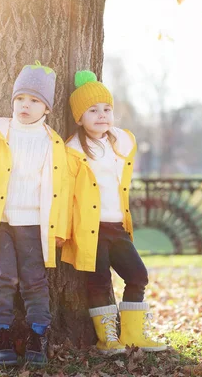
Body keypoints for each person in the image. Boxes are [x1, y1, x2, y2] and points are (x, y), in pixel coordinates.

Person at [0, 61, 68, 365]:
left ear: (46, 108)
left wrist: (58, 229)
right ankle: (1, 332)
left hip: (35, 224)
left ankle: (38, 335)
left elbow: (60, 189)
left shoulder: (53, 143)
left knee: (36, 281)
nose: (26, 105)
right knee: (2, 277)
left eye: (35, 100)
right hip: (1, 223)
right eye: (20, 98)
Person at [61, 70, 167, 355]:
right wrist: (61, 231)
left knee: (137, 275)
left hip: (117, 227)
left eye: (107, 109)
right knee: (98, 282)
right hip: (90, 229)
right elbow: (65, 197)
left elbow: (127, 140)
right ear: (79, 117)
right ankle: (107, 339)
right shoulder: (72, 151)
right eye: (92, 110)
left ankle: (133, 335)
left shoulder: (118, 143)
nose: (102, 115)